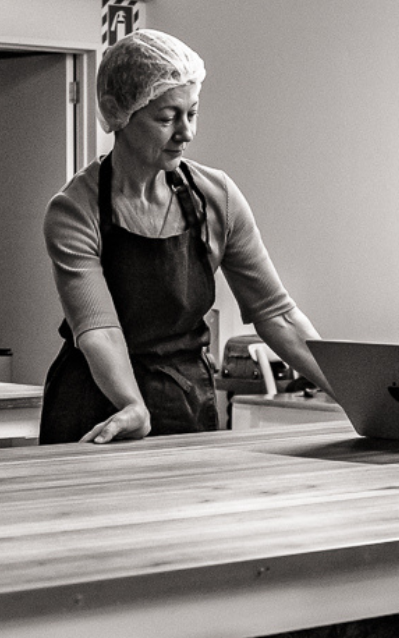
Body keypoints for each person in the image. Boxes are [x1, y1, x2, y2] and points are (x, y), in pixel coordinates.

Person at [40, 29, 330, 445]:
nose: (186, 132)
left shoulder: (217, 198)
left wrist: (354, 394)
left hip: (186, 403)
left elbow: (277, 314)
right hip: (97, 408)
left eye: (191, 113)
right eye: (166, 117)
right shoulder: (74, 209)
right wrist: (133, 406)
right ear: (117, 113)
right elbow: (98, 329)